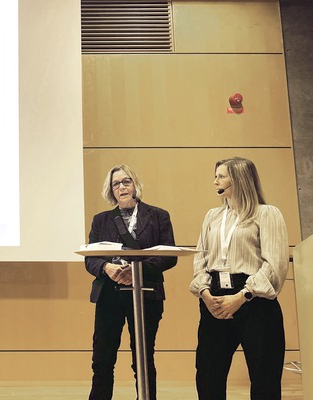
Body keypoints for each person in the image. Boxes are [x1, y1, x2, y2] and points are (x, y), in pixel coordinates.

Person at [189, 157, 289, 400]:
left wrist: (242, 296)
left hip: (254, 301)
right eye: (216, 176)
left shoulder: (267, 213)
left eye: (221, 176)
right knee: (208, 375)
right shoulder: (212, 216)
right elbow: (201, 259)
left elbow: (274, 263)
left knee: (264, 376)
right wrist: (204, 293)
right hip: (214, 300)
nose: (215, 181)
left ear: (240, 179)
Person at [85, 164, 177, 400]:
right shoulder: (101, 220)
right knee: (102, 360)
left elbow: (169, 256)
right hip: (109, 295)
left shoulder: (158, 216)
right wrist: (107, 267)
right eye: (116, 184)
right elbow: (90, 260)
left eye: (126, 181)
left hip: (145, 294)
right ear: (111, 190)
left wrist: (135, 270)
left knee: (143, 359)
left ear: (135, 185)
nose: (122, 187)